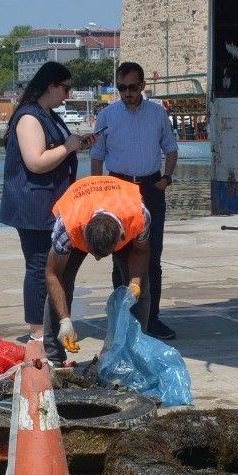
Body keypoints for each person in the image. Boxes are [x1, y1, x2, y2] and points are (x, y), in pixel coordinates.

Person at [0, 62, 93, 353]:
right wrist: (69, 147)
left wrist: (78, 144)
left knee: (50, 266)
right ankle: (38, 332)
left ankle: (48, 326)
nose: (67, 94)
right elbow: (36, 162)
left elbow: (56, 151)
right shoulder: (29, 118)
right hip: (33, 204)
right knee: (40, 267)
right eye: (65, 88)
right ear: (50, 85)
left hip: (51, 202)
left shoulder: (49, 115)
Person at [91, 61, 179, 340]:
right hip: (118, 188)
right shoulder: (107, 116)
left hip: (151, 188)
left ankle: (151, 319)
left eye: (131, 87)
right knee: (120, 257)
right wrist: (98, 191)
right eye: (121, 88)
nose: (127, 93)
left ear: (142, 86)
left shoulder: (157, 113)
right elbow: (97, 155)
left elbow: (171, 148)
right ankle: (124, 319)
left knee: (152, 257)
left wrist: (166, 179)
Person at [43, 175, 154, 364]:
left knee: (141, 292)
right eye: (93, 253)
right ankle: (54, 357)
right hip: (79, 214)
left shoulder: (139, 215)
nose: (95, 259)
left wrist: (135, 283)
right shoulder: (68, 225)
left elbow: (141, 251)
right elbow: (53, 273)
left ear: (121, 237)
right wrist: (65, 320)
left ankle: (133, 355)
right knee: (61, 285)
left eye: (102, 255)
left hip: (121, 218)